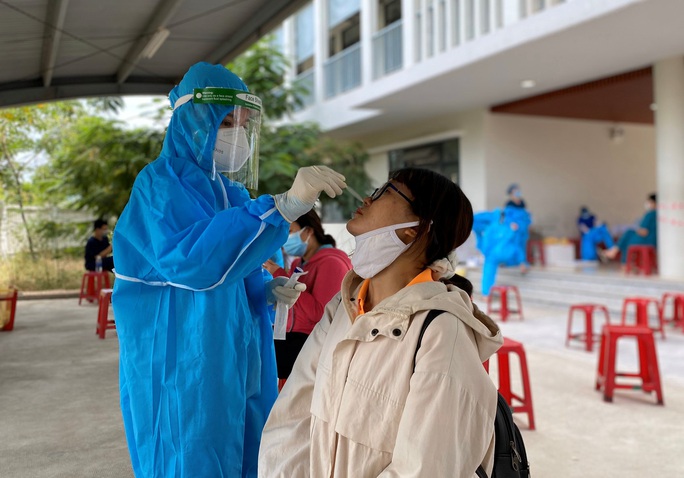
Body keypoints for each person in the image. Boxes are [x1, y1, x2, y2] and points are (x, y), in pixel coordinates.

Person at [111, 62, 346, 478]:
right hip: (180, 352)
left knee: (246, 444)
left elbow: (237, 267)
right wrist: (282, 206)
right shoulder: (158, 185)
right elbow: (191, 262)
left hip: (236, 349)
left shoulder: (233, 191)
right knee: (188, 447)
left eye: (242, 122)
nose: (236, 134)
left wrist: (263, 291)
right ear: (193, 121)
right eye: (225, 121)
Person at [259, 168, 503, 477]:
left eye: (386, 192)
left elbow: (425, 469)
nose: (366, 198)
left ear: (416, 228)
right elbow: (293, 418)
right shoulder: (344, 307)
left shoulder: (442, 334)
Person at [263, 210, 352, 383]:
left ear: (308, 231)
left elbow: (321, 313)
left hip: (311, 347)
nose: (285, 239)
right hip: (289, 343)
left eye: (289, 232)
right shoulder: (299, 263)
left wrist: (281, 276)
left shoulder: (332, 263)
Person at [603, 193, 657, 267]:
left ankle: (623, 263)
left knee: (628, 237)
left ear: (654, 203)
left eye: (649, 202)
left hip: (647, 240)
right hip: (655, 240)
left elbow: (644, 231)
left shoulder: (650, 214)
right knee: (629, 234)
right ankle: (614, 252)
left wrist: (636, 229)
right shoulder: (660, 214)